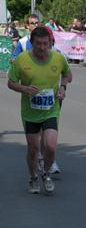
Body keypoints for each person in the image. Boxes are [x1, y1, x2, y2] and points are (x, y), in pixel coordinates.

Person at [7, 26, 72, 194]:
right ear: (32, 43)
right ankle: (33, 176)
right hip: (30, 112)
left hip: (51, 110)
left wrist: (63, 87)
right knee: (33, 149)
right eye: (38, 44)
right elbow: (11, 83)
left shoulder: (58, 58)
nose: (42, 47)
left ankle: (46, 173)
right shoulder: (21, 60)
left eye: (45, 44)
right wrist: (25, 89)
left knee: (51, 146)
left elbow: (67, 75)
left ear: (50, 43)